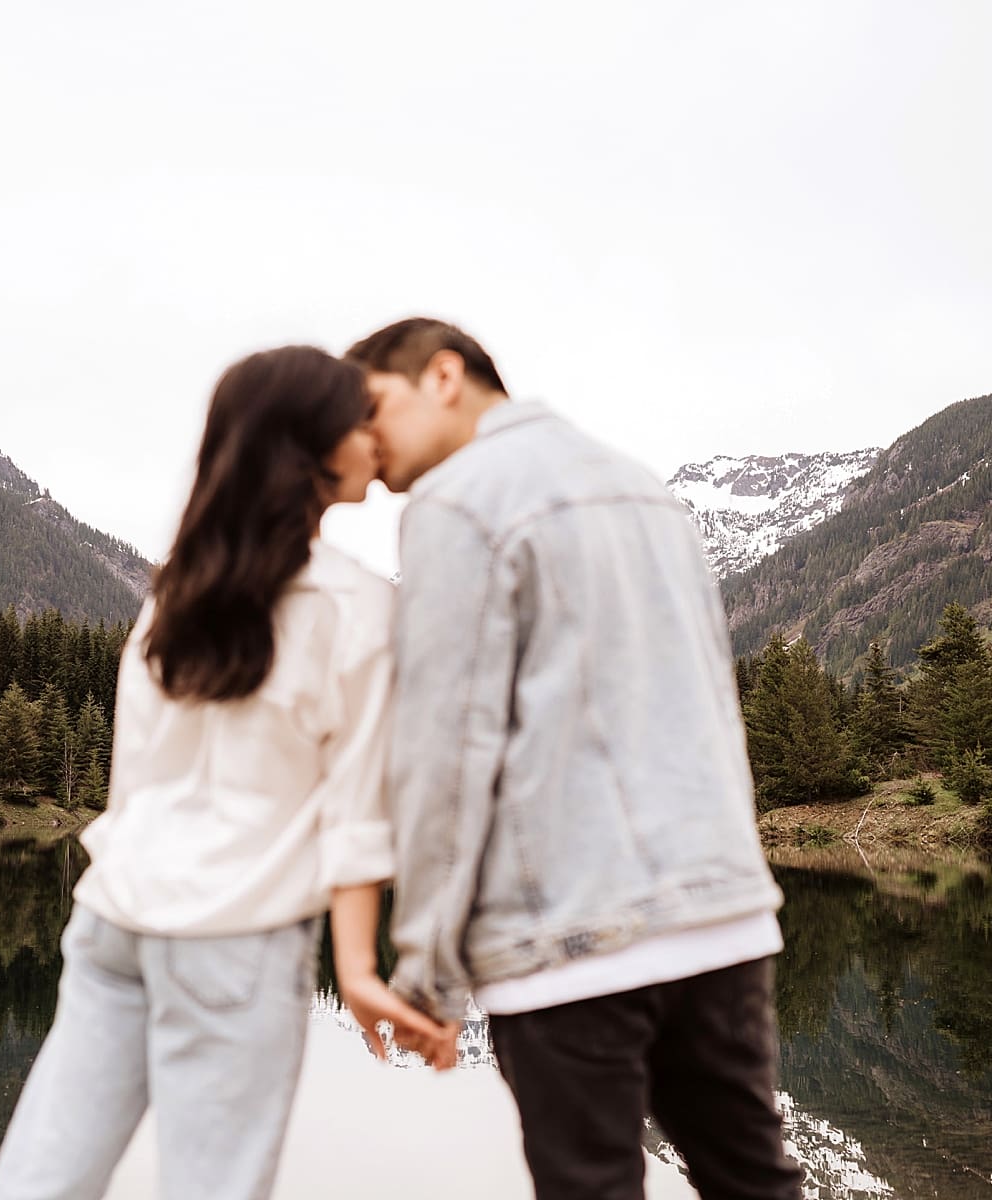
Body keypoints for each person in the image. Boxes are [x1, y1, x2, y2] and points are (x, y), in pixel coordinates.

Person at [348, 318, 805, 1200]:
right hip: (722, 920)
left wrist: (427, 970)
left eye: (373, 408)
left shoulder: (455, 502)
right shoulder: (642, 487)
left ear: (444, 376)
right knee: (755, 1182)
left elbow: (446, 750)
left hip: (571, 937)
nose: (365, 445)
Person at [0, 345, 453, 1200]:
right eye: (358, 421)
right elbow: (357, 814)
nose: (374, 437)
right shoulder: (357, 608)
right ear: (309, 448)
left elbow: (134, 785)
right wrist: (359, 971)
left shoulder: (175, 601)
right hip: (233, 940)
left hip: (113, 923)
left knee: (42, 1180)